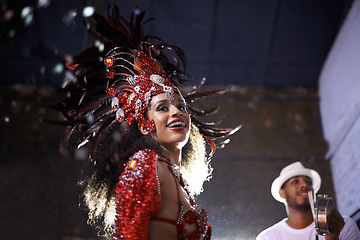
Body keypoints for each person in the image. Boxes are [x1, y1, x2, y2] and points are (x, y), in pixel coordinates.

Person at [50, 3, 239, 240]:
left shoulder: (179, 178)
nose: (177, 112)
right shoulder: (144, 164)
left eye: (181, 106)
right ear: (143, 124)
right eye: (162, 108)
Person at [256, 161, 360, 240]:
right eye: (295, 182)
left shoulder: (343, 225)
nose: (304, 185)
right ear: (282, 194)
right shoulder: (269, 237)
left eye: (308, 182)